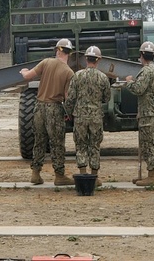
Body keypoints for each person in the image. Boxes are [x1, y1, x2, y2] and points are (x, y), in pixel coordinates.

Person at [20, 38, 76, 186]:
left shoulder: (46, 62)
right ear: (69, 53)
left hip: (39, 107)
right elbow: (66, 96)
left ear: (57, 50)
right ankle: (59, 176)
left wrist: (23, 71)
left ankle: (36, 174)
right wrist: (69, 113)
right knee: (57, 143)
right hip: (54, 108)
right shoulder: (69, 72)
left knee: (39, 141)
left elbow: (27, 76)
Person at [64, 45, 111, 186]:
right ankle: (95, 177)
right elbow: (107, 98)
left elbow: (70, 98)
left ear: (86, 59)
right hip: (96, 116)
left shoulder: (77, 76)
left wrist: (68, 113)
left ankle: (83, 174)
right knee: (95, 146)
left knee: (81, 145)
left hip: (80, 117)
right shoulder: (103, 78)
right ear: (98, 60)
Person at [124, 41, 154, 186]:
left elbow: (138, 89)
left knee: (148, 144)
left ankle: (152, 175)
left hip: (149, 113)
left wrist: (129, 82)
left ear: (141, 55)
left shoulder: (146, 71)